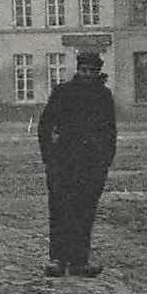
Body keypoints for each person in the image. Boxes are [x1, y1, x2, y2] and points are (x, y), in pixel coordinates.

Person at [36, 50, 117, 277]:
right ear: (78, 70)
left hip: (91, 165)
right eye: (85, 70)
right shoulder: (62, 93)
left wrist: (104, 162)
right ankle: (58, 260)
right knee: (61, 210)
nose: (89, 75)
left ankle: (80, 261)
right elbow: (45, 127)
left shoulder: (103, 96)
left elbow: (110, 132)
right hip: (63, 163)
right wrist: (49, 158)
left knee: (85, 212)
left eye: (93, 71)